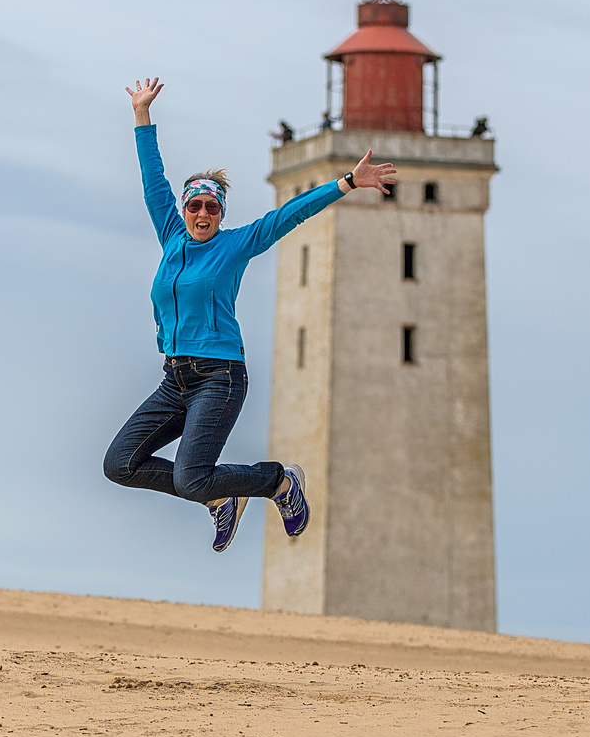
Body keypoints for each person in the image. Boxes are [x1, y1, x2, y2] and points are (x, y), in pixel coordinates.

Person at [103, 77, 397, 553]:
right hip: (174, 379)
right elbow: (152, 180)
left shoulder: (234, 245)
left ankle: (277, 482)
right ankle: (220, 496)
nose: (202, 214)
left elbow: (290, 215)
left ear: (221, 213)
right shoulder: (172, 237)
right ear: (184, 209)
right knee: (120, 465)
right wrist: (142, 115)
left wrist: (346, 182)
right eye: (194, 206)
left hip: (218, 377)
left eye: (211, 208)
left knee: (193, 478)